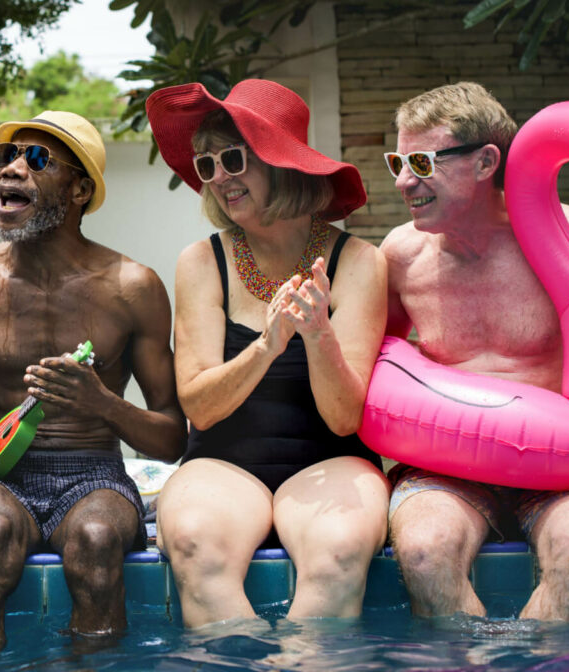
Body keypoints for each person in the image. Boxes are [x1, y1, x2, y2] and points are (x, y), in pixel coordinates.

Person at [0, 110, 185, 656]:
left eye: (37, 159)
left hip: (93, 474)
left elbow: (171, 436)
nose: (11, 170)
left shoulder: (131, 287)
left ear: (79, 189)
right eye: (7, 156)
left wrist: (103, 404)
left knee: (95, 542)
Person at [145, 79, 390, 627]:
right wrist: (268, 343)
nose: (219, 177)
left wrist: (318, 332)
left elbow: (345, 417)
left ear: (280, 161)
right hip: (222, 464)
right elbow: (201, 408)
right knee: (192, 545)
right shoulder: (201, 261)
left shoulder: (358, 263)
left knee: (341, 551)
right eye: (207, 165)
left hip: (331, 460)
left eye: (233, 158)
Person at [381, 81, 569, 621]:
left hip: (560, 467)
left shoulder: (565, 236)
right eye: (397, 160)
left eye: (420, 160)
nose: (402, 181)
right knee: (423, 555)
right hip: (449, 468)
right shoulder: (401, 257)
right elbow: (381, 363)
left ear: (487, 161)